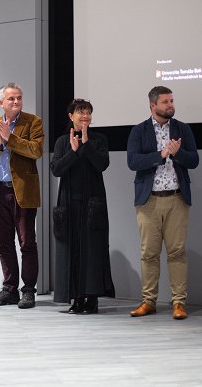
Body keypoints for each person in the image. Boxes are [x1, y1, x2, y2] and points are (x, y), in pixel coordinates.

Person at [126, 86, 199, 319]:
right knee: (149, 253)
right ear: (153, 105)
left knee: (177, 252)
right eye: (166, 102)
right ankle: (149, 301)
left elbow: (194, 160)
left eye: (172, 101)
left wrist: (177, 153)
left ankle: (179, 303)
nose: (171, 105)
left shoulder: (182, 129)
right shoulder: (139, 131)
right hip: (149, 201)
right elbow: (133, 162)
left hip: (176, 198)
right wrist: (161, 155)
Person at [0, 82, 44, 309]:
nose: (16, 102)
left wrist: (11, 139)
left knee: (27, 243)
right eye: (11, 99)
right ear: (1, 102)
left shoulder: (33, 122)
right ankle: (10, 289)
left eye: (19, 98)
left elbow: (36, 150)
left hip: (22, 191)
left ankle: (28, 291)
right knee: (4, 243)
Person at [50, 98, 115, 314]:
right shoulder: (62, 141)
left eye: (88, 112)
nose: (85, 116)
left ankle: (92, 299)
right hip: (69, 205)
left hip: (92, 204)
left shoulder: (99, 139)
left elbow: (102, 164)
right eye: (80, 112)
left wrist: (86, 146)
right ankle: (76, 299)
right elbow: (57, 169)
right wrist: (74, 151)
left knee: (92, 251)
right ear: (71, 116)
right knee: (72, 251)